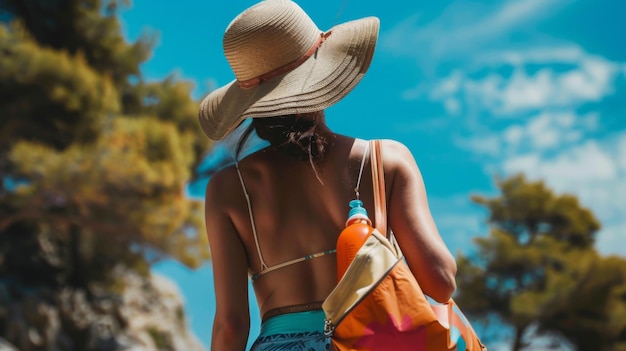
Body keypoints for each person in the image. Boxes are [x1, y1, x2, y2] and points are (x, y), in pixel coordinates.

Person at [198, 1, 457, 350]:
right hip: (373, 341)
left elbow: (231, 325)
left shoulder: (229, 188)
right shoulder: (387, 161)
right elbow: (440, 283)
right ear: (321, 75)